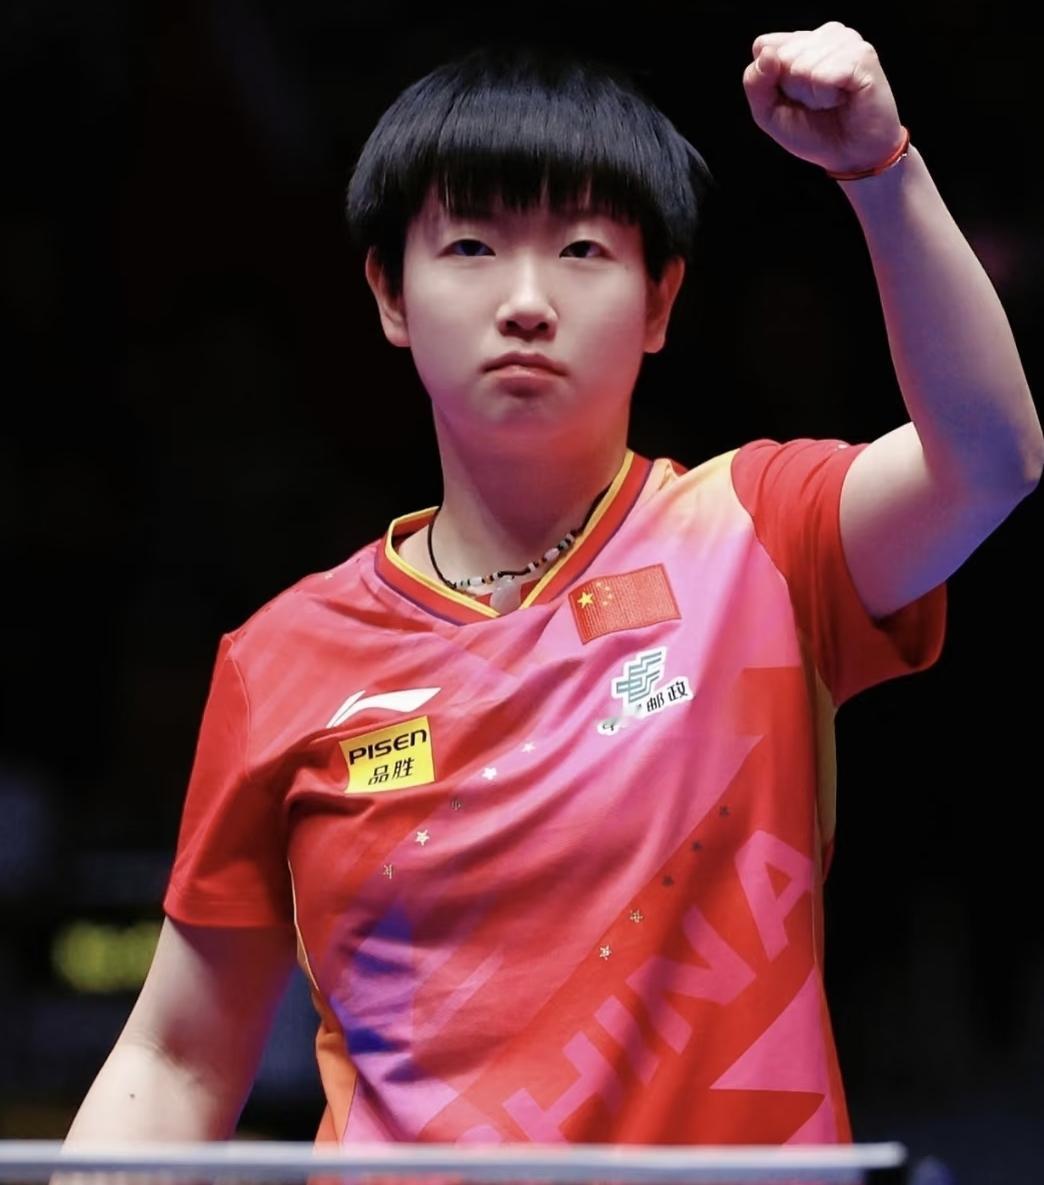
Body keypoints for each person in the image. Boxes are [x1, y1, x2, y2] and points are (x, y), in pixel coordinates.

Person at [64, 20, 1040, 1148]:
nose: (526, 300)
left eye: (581, 249)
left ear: (659, 302)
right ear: (391, 295)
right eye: (471, 246)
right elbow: (179, 1055)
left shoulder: (760, 539)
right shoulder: (281, 659)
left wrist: (881, 169)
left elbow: (990, 460)